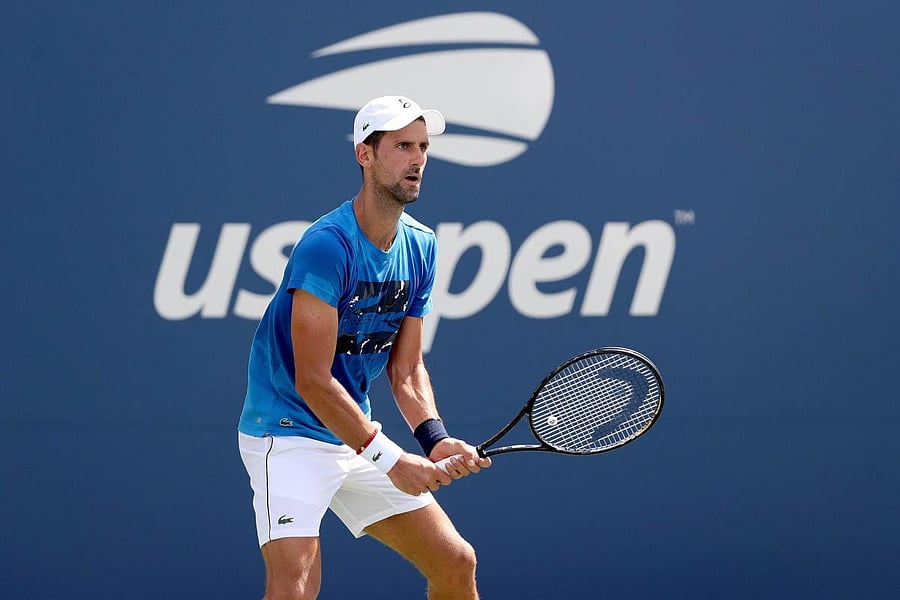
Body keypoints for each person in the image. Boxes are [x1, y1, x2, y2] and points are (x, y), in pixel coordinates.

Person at [238, 95, 491, 600]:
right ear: (365, 154)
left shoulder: (422, 245)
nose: (417, 158)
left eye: (422, 146)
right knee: (296, 588)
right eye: (401, 146)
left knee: (455, 562)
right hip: (286, 433)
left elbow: (407, 367)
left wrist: (433, 439)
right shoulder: (327, 245)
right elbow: (311, 380)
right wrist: (391, 460)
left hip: (351, 433)